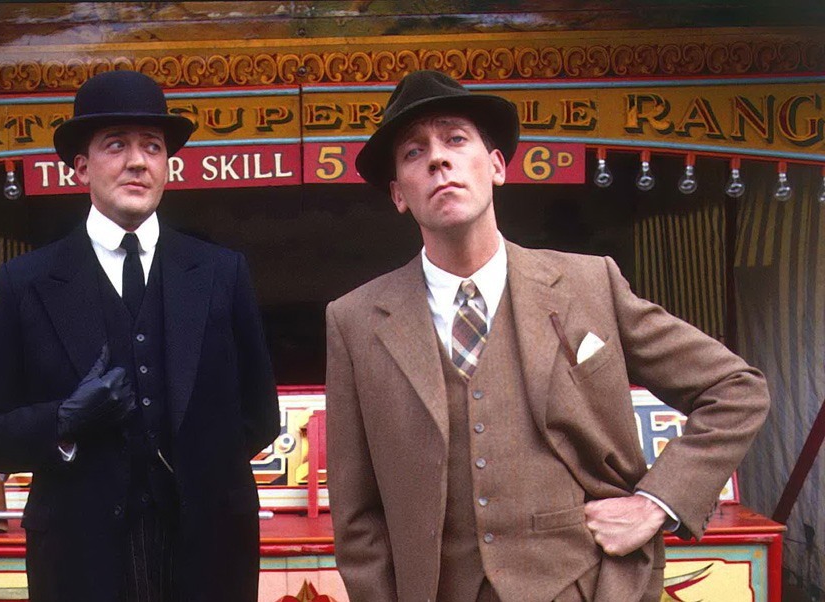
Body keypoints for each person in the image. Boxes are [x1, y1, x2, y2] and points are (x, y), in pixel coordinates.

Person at [324, 70, 769, 602]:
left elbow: (735, 389)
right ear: (399, 194)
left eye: (455, 139)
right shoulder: (355, 320)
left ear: (496, 166)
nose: (438, 159)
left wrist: (655, 503)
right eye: (414, 153)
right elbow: (357, 515)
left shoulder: (589, 284)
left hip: (583, 587)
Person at [0, 70, 280, 602]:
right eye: (116, 145)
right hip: (81, 561)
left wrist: (196, 476)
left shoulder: (221, 273)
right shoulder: (27, 282)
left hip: (208, 557)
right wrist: (64, 421)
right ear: (81, 167)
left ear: (167, 164)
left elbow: (260, 416)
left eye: (152, 146)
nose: (138, 161)